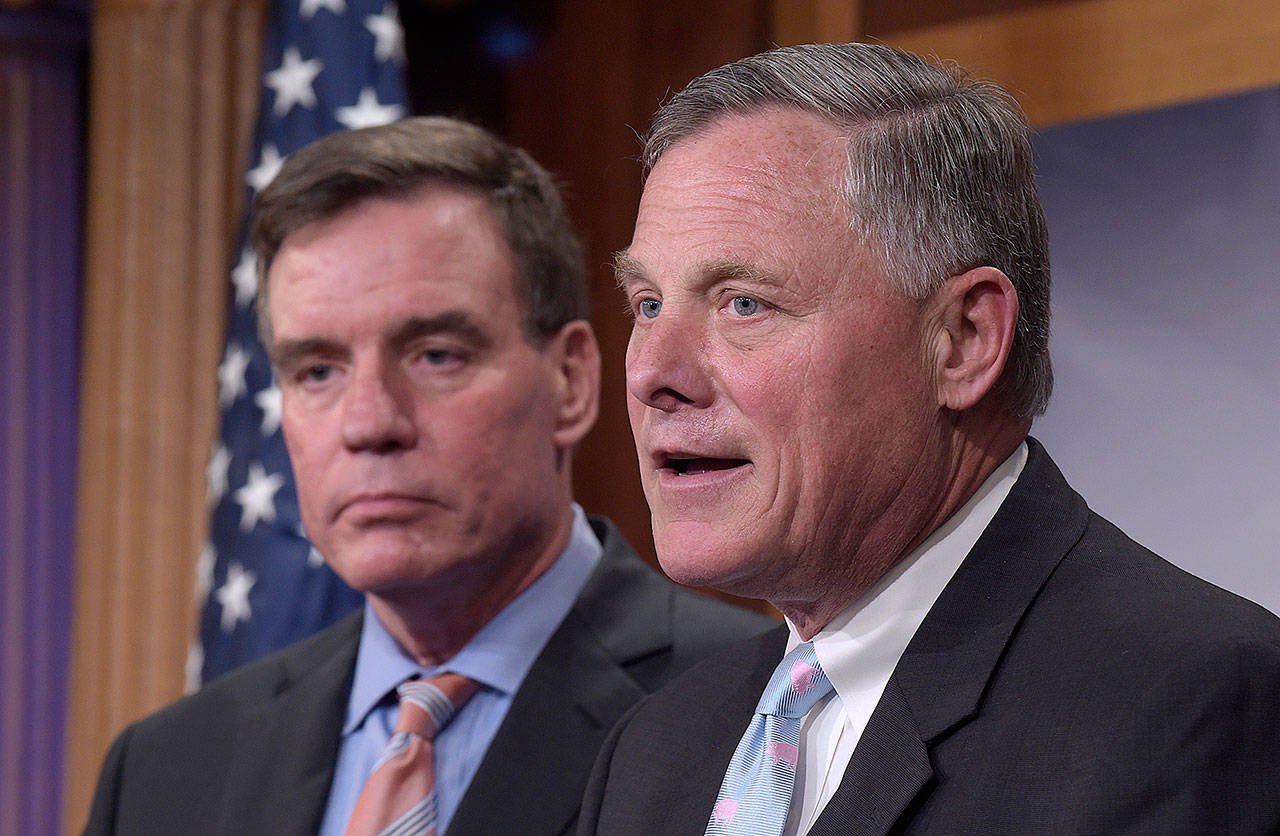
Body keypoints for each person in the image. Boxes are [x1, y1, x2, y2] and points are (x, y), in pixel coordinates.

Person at [580, 43, 1280, 835]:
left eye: (743, 303)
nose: (652, 375)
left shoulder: (1196, 709)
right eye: (646, 305)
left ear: (963, 338)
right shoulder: (656, 751)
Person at [84, 116, 772, 836]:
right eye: (317, 370)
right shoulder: (168, 769)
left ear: (571, 379)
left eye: (435, 355)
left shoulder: (753, 712)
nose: (370, 422)